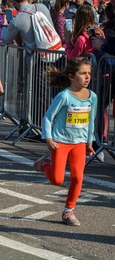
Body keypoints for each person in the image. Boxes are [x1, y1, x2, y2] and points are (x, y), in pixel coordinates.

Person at [33, 57, 97, 226]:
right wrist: (48, 138)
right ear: (71, 76)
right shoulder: (64, 96)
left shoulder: (92, 97)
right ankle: (44, 165)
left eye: (89, 73)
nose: (87, 77)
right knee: (57, 180)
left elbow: (91, 120)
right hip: (60, 142)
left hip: (79, 143)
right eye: (83, 73)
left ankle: (68, 211)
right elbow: (48, 117)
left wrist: (90, 142)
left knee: (78, 177)